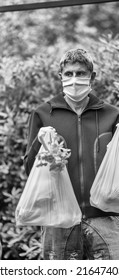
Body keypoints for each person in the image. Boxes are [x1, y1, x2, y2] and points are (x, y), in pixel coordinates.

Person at [24, 48, 119, 260]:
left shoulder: (113, 115)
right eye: (69, 74)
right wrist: (38, 145)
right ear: (60, 77)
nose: (74, 80)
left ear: (92, 77)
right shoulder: (43, 114)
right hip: (59, 221)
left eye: (81, 73)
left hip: (106, 220)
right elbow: (30, 171)